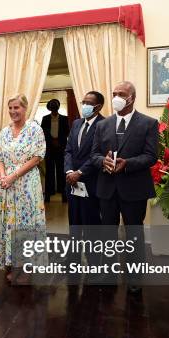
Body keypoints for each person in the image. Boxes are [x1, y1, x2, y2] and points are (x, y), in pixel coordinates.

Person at [90, 81, 158, 294]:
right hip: (107, 188)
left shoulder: (148, 123)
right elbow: (94, 155)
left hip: (134, 188)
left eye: (121, 94)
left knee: (134, 233)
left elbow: (151, 156)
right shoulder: (102, 125)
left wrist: (127, 164)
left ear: (132, 98)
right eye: (114, 93)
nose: (116, 97)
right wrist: (103, 161)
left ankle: (135, 277)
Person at [0, 94, 46, 282]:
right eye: (10, 108)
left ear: (25, 108)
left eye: (17, 107)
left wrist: (14, 175)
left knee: (25, 224)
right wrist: (2, 175)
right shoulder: (4, 132)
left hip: (26, 184)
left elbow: (37, 157)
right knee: (10, 223)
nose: (13, 111)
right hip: (7, 185)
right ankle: (11, 262)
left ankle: (26, 267)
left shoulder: (34, 130)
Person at [64, 91, 105, 277]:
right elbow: (69, 151)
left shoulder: (104, 125)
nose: (85, 106)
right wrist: (69, 171)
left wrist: (80, 173)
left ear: (98, 107)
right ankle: (72, 259)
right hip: (72, 182)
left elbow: (97, 155)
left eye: (89, 103)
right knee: (74, 222)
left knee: (91, 225)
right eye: (84, 102)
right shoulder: (76, 123)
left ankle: (94, 263)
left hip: (91, 182)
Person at [41, 99, 69, 203]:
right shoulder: (45, 118)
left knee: (62, 171)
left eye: (55, 105)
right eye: (52, 106)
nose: (54, 107)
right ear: (49, 107)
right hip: (49, 149)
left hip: (61, 148)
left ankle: (64, 194)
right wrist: (52, 141)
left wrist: (58, 141)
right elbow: (42, 132)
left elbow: (67, 132)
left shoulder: (64, 118)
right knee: (49, 172)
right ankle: (48, 195)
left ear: (58, 107)